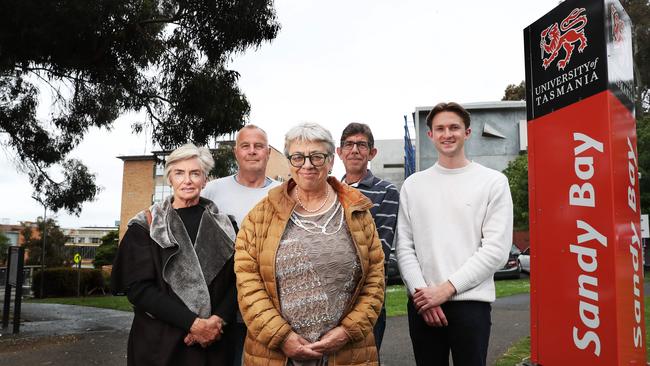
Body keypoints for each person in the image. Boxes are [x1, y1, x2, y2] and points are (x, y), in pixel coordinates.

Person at [235, 122, 385, 366]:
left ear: (330, 161)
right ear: (289, 161)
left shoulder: (357, 210)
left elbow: (375, 279)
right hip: (276, 354)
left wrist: (347, 331)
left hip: (346, 353)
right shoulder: (260, 215)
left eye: (316, 157)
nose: (307, 165)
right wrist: (282, 337)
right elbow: (248, 283)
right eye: (298, 157)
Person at [396, 102, 513, 366]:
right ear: (430, 135)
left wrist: (446, 290)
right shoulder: (413, 185)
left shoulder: (493, 182)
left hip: (470, 304)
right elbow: (404, 247)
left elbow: (496, 250)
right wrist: (423, 295)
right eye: (440, 128)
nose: (447, 134)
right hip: (423, 305)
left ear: (467, 132)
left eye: (454, 127)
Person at [112, 143, 238, 366]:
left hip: (214, 344)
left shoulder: (227, 227)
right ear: (169, 178)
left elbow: (239, 282)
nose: (187, 180)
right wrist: (194, 325)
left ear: (205, 179)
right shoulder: (145, 226)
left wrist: (216, 322)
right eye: (179, 173)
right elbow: (138, 289)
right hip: (160, 345)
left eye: (195, 173)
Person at [201, 124, 280, 366]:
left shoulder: (282, 193)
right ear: (236, 152)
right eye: (245, 146)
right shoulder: (213, 190)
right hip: (222, 306)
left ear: (268, 153)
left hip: (267, 306)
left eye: (259, 146)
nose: (252, 151)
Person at [336, 122, 399, 351]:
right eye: (349, 144)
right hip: (330, 299)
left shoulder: (386, 192)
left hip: (366, 297)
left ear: (372, 153)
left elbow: (379, 250)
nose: (354, 150)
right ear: (339, 152)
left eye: (361, 145)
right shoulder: (328, 191)